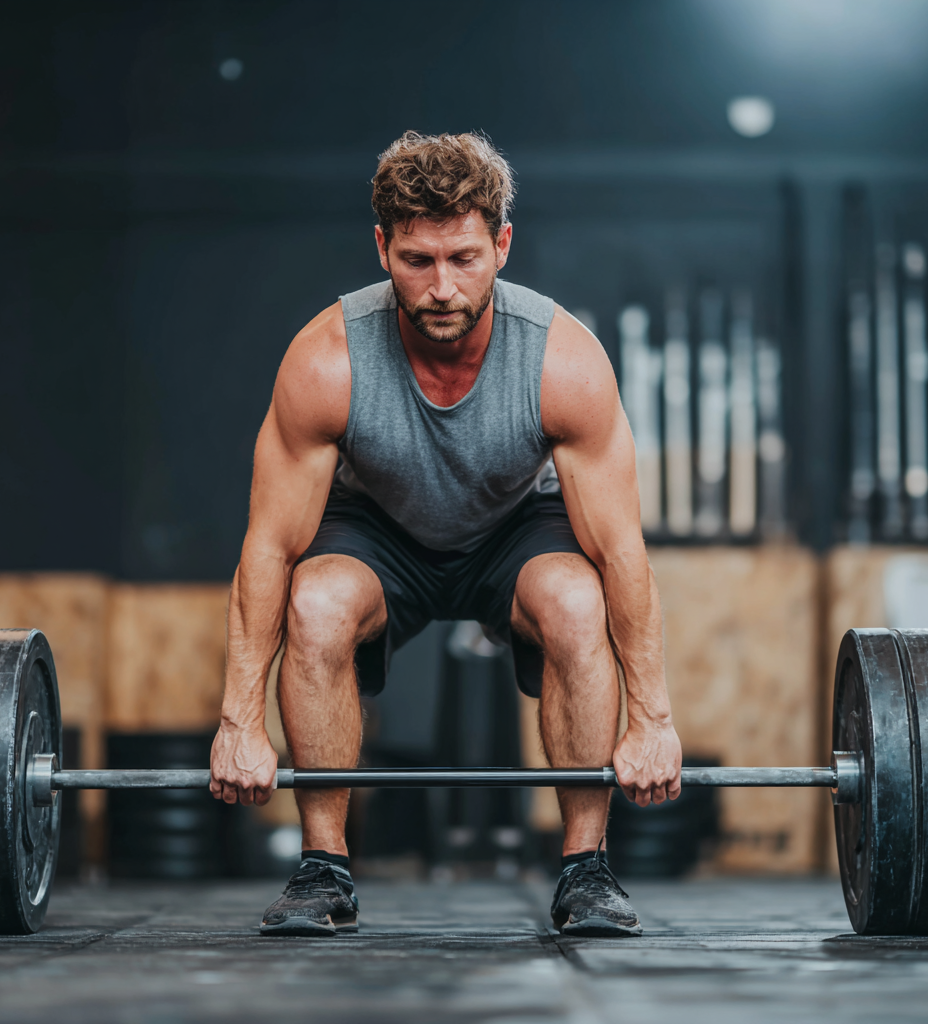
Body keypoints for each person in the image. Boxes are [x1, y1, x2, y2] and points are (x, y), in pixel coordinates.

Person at [209, 130, 682, 937]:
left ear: (501, 243)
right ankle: (324, 868)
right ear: (381, 246)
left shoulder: (560, 361)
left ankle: (586, 871)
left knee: (575, 598)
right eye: (417, 260)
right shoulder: (329, 359)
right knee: (315, 602)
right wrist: (238, 720)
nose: (440, 288)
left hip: (513, 528)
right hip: (378, 529)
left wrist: (655, 719)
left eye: (463, 257)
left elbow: (618, 550)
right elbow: (269, 547)